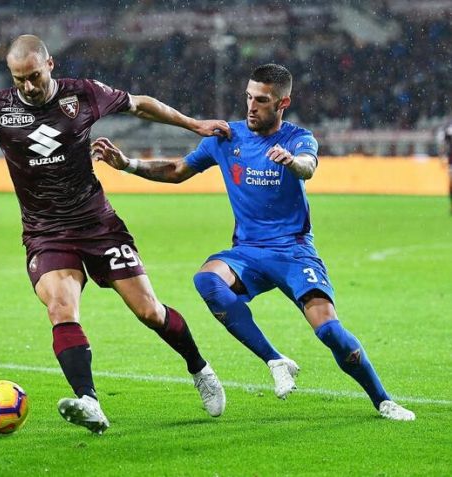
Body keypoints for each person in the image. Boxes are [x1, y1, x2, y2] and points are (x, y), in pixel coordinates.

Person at [0, 35, 229, 435]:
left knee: (149, 311)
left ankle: (199, 368)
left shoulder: (83, 94)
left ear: (50, 65)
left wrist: (193, 124)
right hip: (46, 233)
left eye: (34, 76)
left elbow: (140, 104)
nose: (28, 86)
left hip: (98, 225)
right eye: (19, 79)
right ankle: (89, 401)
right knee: (60, 307)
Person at [91, 63, 415, 421]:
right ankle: (275, 360)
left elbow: (308, 165)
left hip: (293, 252)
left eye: (261, 100)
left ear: (282, 103)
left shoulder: (297, 138)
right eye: (248, 97)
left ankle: (383, 400)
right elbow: (178, 171)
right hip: (247, 253)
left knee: (330, 331)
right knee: (207, 280)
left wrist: (292, 163)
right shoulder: (227, 138)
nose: (251, 106)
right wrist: (128, 164)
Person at [436, 116, 452, 214]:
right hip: (451, 160)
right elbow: (443, 145)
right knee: (451, 183)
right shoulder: (448, 129)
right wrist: (442, 157)